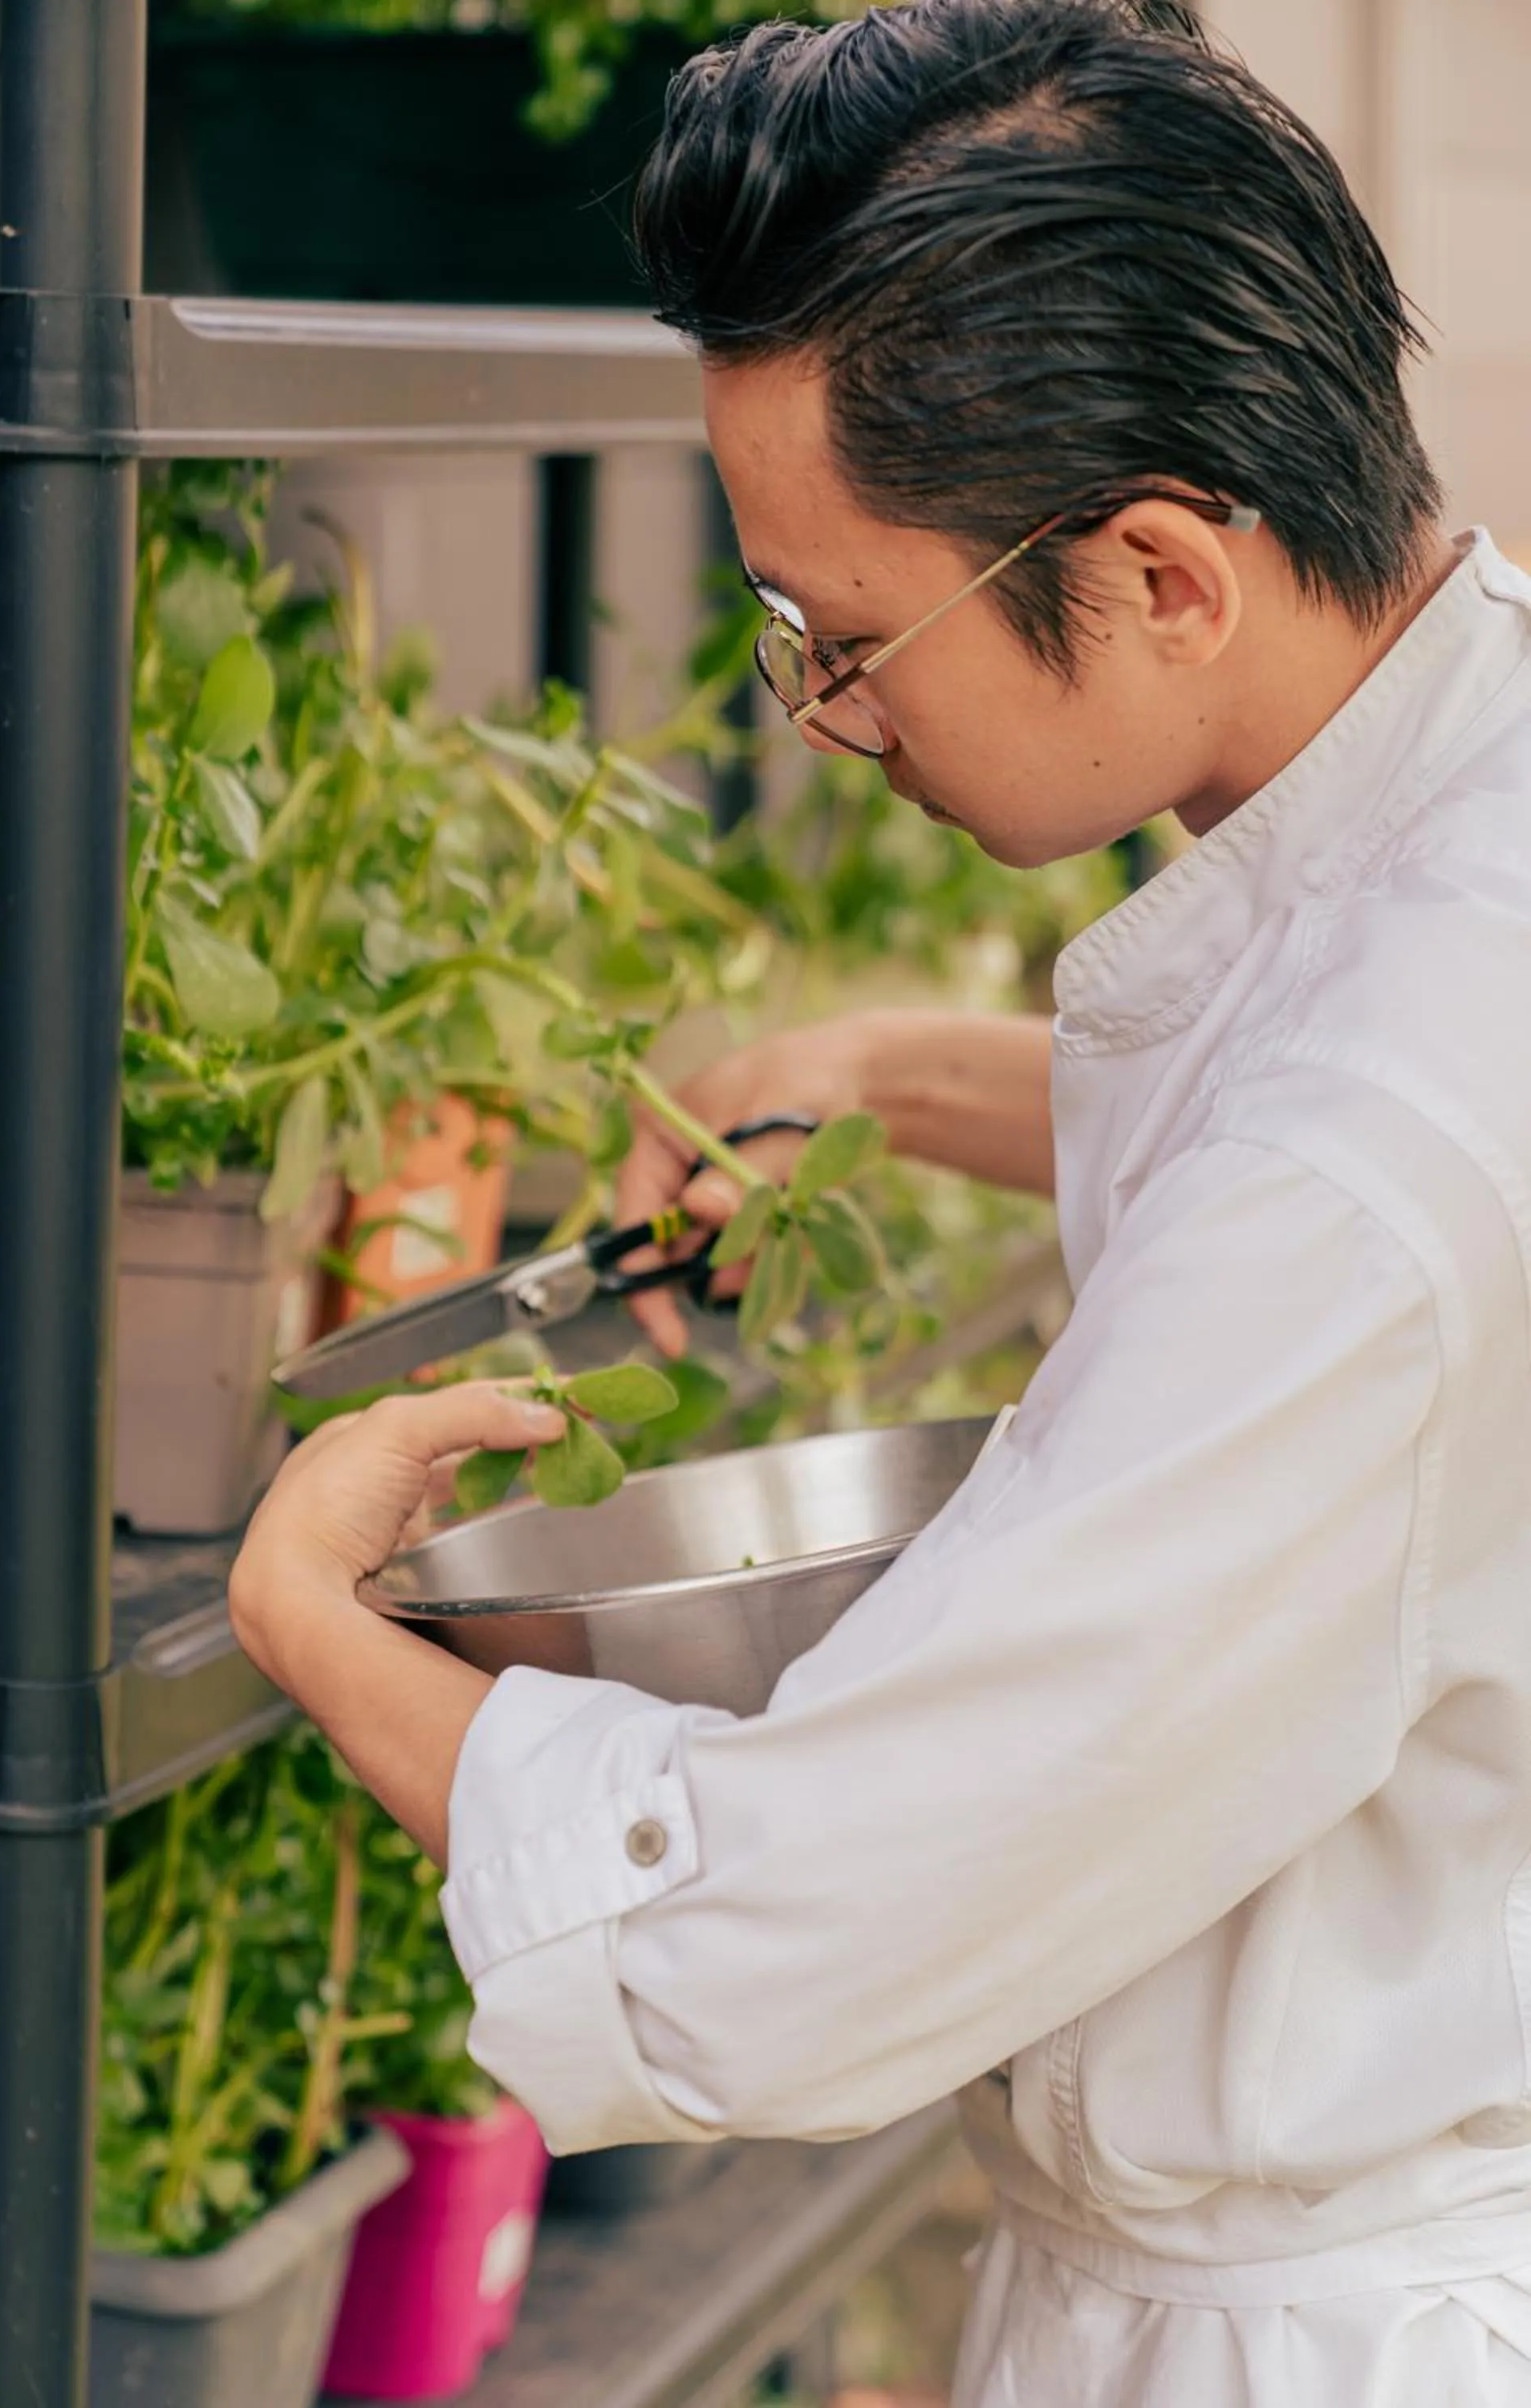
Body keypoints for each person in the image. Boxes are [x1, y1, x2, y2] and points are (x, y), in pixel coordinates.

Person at [228, 2, 1531, 2398]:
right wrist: (894, 1072)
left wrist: (315, 1621)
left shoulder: (1355, 1186)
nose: (825, 718)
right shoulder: (1474, 793)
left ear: (1159, 574)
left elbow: (772, 1962)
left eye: (846, 641)